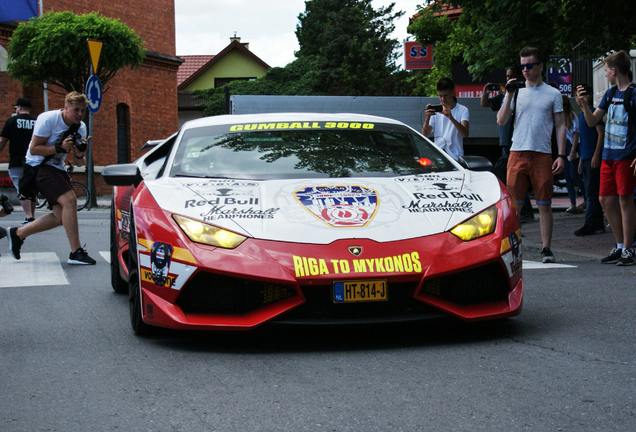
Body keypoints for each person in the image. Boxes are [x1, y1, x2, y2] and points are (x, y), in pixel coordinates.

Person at [5, 91, 96, 265]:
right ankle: (75, 252)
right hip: (37, 166)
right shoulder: (48, 119)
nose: (79, 114)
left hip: (57, 168)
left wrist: (81, 151)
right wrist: (59, 147)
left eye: (82, 111)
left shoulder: (81, 127)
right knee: (70, 200)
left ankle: (18, 234)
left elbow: (78, 163)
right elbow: (33, 149)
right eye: (76, 110)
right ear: (66, 108)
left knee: (61, 215)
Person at [496, 46, 566, 263]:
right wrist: (508, 94)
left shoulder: (553, 93)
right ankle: (514, 247)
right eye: (522, 66)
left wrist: (561, 155)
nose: (525, 70)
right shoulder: (517, 92)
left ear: (540, 66)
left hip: (542, 153)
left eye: (529, 65)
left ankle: (546, 248)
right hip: (518, 152)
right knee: (515, 205)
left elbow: (560, 124)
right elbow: (501, 120)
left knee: (544, 203)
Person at [578, 50, 636, 265]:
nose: (604, 75)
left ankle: (629, 248)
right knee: (605, 199)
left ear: (614, 70)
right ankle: (620, 245)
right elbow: (593, 122)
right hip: (608, 156)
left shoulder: (633, 94)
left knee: (625, 199)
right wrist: (584, 105)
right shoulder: (610, 94)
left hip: (626, 156)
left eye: (605, 71)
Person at [480, 67, 535, 222]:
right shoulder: (505, 96)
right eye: (507, 76)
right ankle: (524, 211)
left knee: (515, 178)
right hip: (505, 142)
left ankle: (524, 211)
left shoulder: (522, 95)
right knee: (510, 178)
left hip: (515, 141)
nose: (509, 79)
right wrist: (485, 91)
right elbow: (485, 104)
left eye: (512, 76)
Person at [574, 84, 605, 236]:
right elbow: (582, 139)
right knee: (590, 191)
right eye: (576, 96)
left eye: (581, 96)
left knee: (591, 193)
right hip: (585, 157)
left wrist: (596, 155)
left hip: (592, 157)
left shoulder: (593, 113)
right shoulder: (581, 116)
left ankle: (590, 223)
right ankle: (597, 222)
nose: (578, 99)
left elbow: (600, 133)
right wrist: (580, 159)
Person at [0, 98, 37, 225]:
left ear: (19, 108)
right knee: (31, 189)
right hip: (34, 161)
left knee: (22, 189)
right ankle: (32, 216)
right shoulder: (36, 121)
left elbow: (2, 141)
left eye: (16, 108)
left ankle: (28, 217)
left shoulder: (11, 121)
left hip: (16, 161)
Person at [422, 77, 470, 161]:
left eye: (445, 96)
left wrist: (451, 118)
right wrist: (427, 118)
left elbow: (465, 133)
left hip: (455, 156)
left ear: (453, 92)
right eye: (440, 96)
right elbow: (425, 135)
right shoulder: (436, 111)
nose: (443, 99)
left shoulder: (463, 110)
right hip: (438, 155)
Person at [562, 94, 586, 213]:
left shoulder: (571, 115)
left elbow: (576, 134)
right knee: (567, 176)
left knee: (574, 175)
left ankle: (586, 197)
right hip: (565, 145)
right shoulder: (560, 116)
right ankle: (573, 203)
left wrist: (573, 150)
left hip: (572, 145)